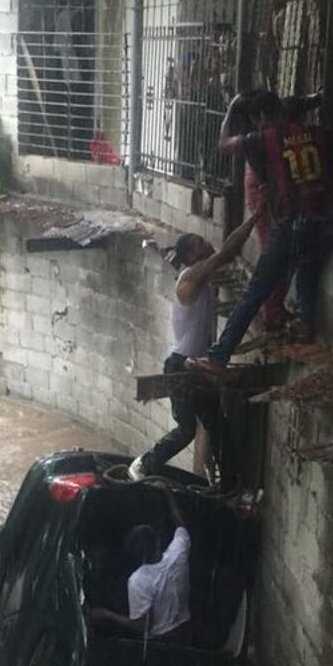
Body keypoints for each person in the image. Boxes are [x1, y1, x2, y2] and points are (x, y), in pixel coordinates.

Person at [187, 89, 333, 373]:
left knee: (255, 291)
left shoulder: (265, 138)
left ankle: (219, 356)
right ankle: (305, 324)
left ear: (261, 117)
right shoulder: (317, 133)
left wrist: (231, 107)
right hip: (327, 220)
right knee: (307, 266)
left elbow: (223, 143)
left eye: (255, 120)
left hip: (294, 223)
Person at [127, 204, 263, 484]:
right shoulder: (190, 277)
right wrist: (258, 214)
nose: (208, 244)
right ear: (191, 255)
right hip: (180, 365)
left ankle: (227, 485)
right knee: (187, 429)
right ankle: (143, 464)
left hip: (198, 365)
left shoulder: (199, 278)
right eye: (201, 244)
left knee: (217, 426)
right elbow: (227, 252)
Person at [89, 487, 192, 640]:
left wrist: (105, 614)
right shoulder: (178, 552)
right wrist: (167, 493)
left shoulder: (139, 580)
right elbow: (180, 522)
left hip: (161, 640)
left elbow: (141, 626)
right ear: (157, 542)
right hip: (186, 629)